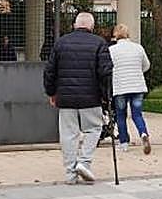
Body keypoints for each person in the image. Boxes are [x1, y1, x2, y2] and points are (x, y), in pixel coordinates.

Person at [43, 12, 113, 183]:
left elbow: (50, 71)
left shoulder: (61, 43)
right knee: (94, 129)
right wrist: (106, 96)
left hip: (66, 98)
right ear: (92, 26)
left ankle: (70, 173)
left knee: (68, 135)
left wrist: (51, 92)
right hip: (91, 97)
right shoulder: (99, 43)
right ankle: (84, 162)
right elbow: (106, 73)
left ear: (75, 25)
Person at [109, 24, 151, 154]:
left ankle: (124, 143)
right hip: (137, 85)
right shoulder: (138, 48)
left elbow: (108, 68)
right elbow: (146, 65)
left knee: (121, 115)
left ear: (115, 34)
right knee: (137, 114)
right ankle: (143, 133)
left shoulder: (112, 50)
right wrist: (138, 71)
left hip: (120, 86)